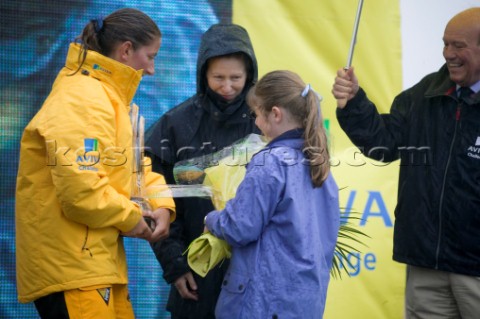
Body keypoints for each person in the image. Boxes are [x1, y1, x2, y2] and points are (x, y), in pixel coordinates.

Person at [15, 8, 175, 319]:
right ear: (126, 50)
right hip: (73, 269)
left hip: (95, 265)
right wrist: (133, 218)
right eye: (150, 56)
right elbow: (82, 190)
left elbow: (134, 169)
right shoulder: (81, 99)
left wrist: (162, 205)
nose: (152, 69)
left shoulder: (108, 99)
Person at [332, 7, 480, 319]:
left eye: (459, 46)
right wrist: (355, 102)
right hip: (425, 265)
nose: (448, 54)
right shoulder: (423, 95)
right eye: (445, 44)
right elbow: (382, 145)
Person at [204, 70, 340, 318]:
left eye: (256, 114)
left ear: (275, 114)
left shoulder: (270, 162)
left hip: (262, 303)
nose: (255, 122)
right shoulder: (321, 166)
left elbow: (240, 227)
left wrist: (212, 219)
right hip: (305, 303)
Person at [145, 23, 260, 318]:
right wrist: (175, 265)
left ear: (250, 75)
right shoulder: (174, 125)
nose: (227, 86)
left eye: (236, 77)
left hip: (255, 277)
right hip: (195, 276)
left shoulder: (266, 122)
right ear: (202, 74)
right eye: (218, 77)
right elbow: (157, 199)